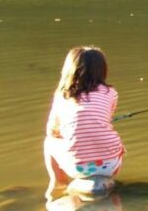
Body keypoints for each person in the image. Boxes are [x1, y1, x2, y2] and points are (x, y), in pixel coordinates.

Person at [44, 47, 126, 200]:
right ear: (102, 70)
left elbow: (52, 131)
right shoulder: (111, 93)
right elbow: (104, 120)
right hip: (111, 165)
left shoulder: (62, 95)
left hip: (77, 168)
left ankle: (58, 182)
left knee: (48, 142)